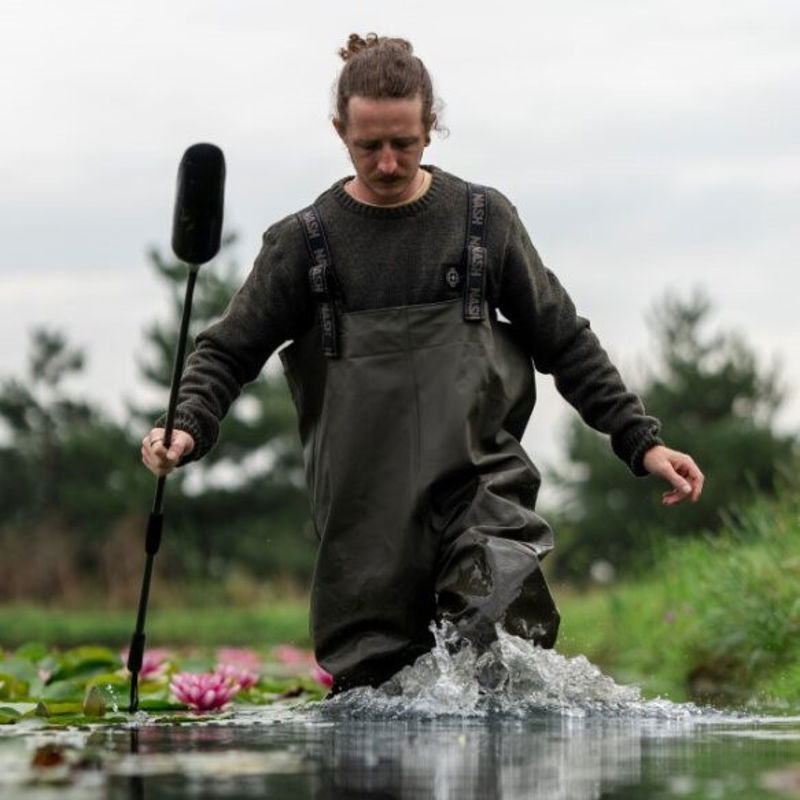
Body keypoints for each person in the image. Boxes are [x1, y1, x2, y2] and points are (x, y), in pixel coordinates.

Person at [141, 33, 704, 693]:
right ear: (339, 132)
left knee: (499, 660)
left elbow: (563, 338)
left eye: (403, 143)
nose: (386, 162)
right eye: (369, 145)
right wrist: (186, 421)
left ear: (430, 129)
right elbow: (226, 350)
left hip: (480, 497)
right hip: (363, 527)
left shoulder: (482, 221)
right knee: (379, 707)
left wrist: (640, 441)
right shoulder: (304, 244)